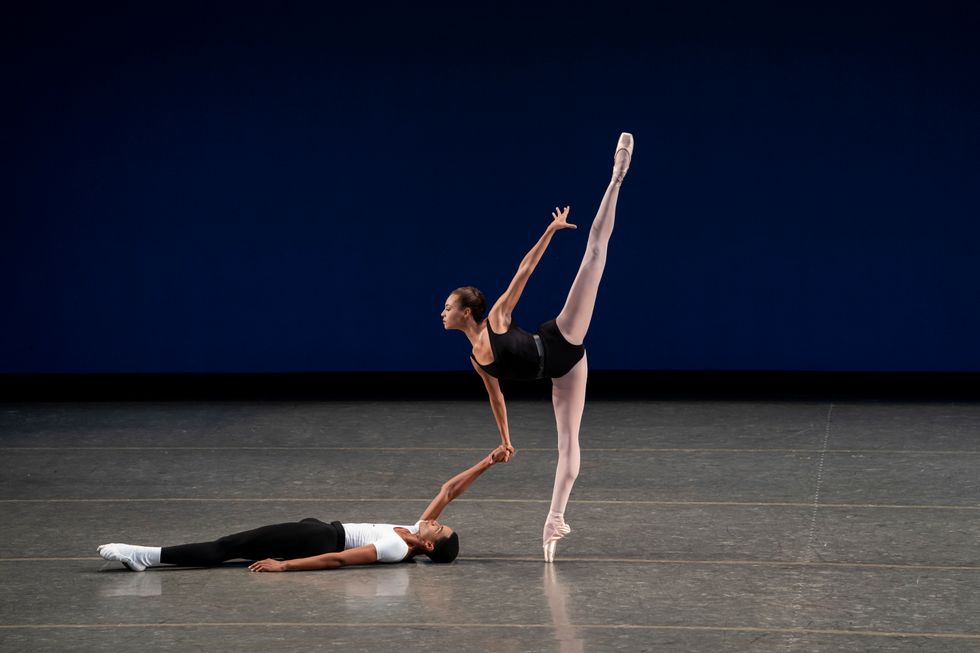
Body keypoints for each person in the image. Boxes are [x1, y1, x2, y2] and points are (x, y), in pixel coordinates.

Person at [441, 132, 633, 562]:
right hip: (562, 373)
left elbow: (524, 270)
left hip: (561, 338)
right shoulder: (475, 357)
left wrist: (549, 230)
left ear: (468, 313)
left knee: (594, 256)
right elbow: (497, 398)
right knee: (568, 444)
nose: (443, 312)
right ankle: (554, 520)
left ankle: (616, 177)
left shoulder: (497, 320)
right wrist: (505, 441)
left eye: (449, 307)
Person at [97, 446, 509, 572]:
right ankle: (146, 556)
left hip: (318, 539)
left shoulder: (397, 549)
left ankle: (144, 556)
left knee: (229, 546)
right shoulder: (415, 529)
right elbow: (448, 489)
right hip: (320, 526)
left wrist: (285, 567)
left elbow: (339, 559)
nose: (434, 522)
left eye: (438, 530)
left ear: (430, 548)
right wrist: (487, 463)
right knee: (237, 544)